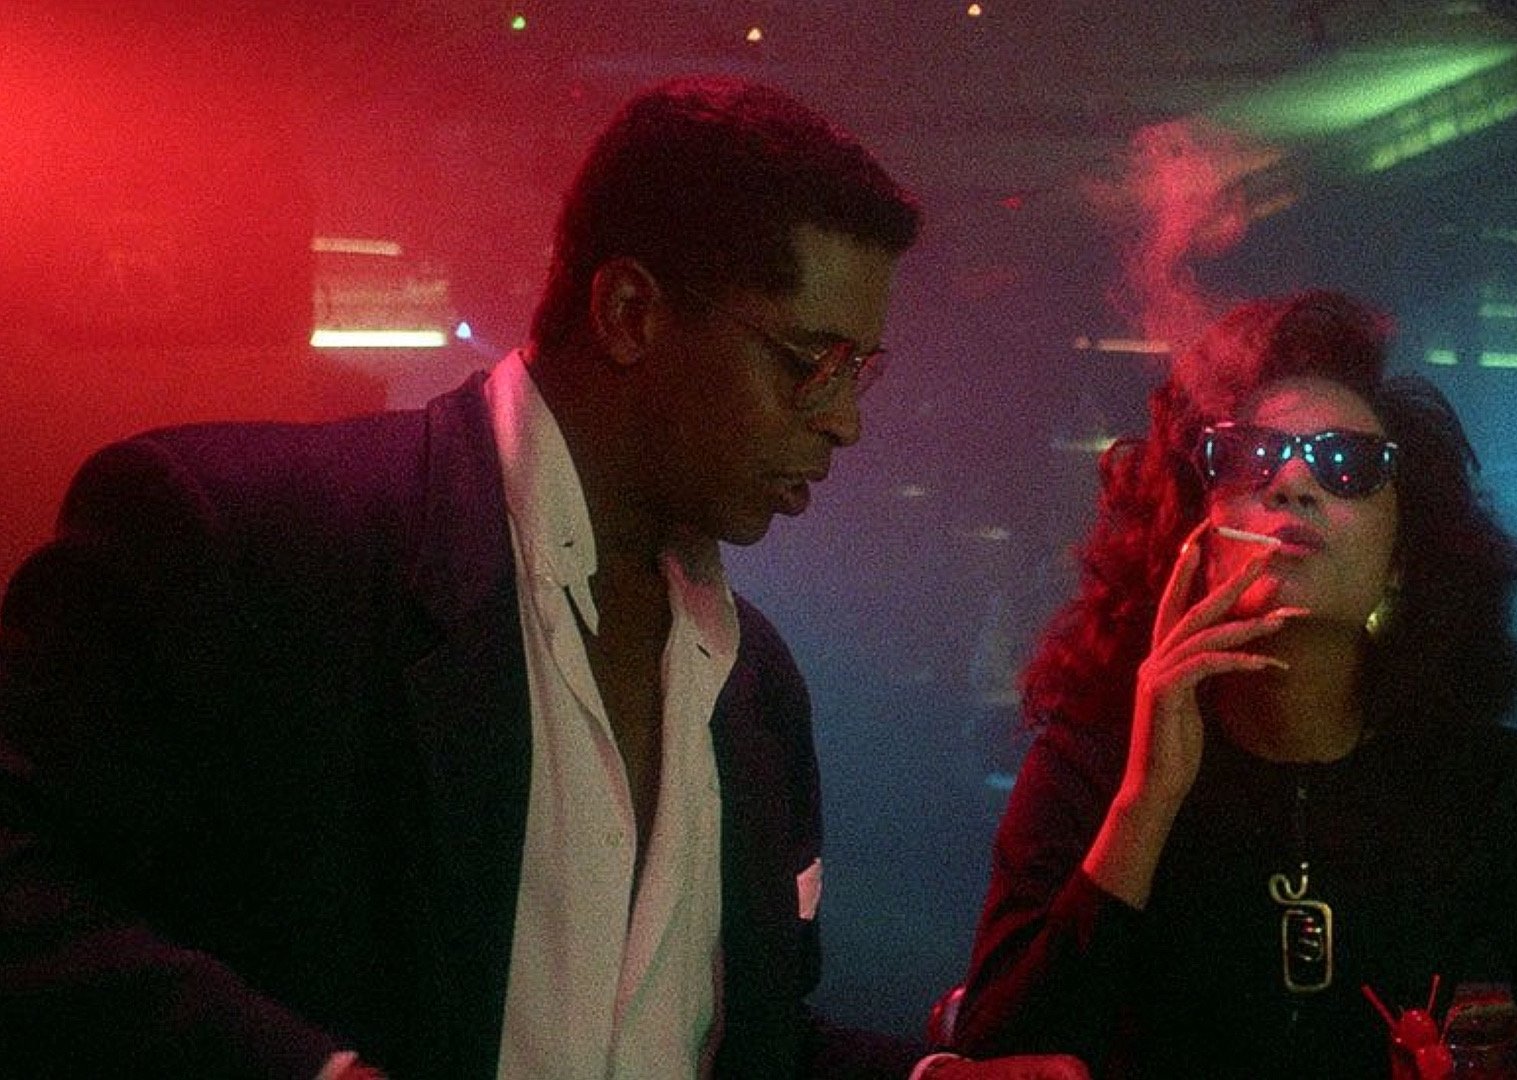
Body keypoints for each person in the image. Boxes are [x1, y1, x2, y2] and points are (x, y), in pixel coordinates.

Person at [0, 75, 1085, 1080]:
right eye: (811, 362)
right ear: (629, 313)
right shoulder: (243, 536)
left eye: (862, 371)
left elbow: (733, 1040)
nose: (846, 421)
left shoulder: (757, 684)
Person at [948, 291, 1517, 1077]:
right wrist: (1145, 803)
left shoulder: (1471, 784)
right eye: (1248, 457)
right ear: (1197, 536)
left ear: (1402, 558)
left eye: (1349, 465)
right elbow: (998, 1058)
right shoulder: (1091, 765)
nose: (1294, 482)